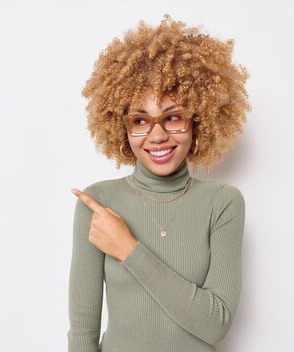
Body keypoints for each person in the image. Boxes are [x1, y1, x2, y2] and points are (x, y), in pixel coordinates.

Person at [67, 15, 251, 352]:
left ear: (199, 120)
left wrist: (128, 249)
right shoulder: (98, 203)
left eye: (173, 117)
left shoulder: (223, 203)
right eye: (140, 120)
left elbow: (216, 324)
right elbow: (82, 334)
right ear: (121, 126)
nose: (157, 135)